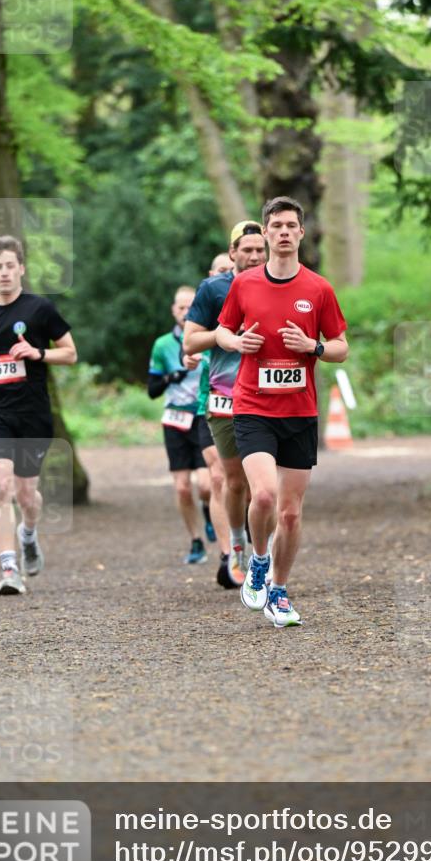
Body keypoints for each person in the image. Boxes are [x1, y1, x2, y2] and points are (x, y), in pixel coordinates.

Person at [216, 196, 348, 628]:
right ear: (267, 233)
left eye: (292, 225)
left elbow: (342, 348)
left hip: (300, 412)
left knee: (290, 513)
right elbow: (221, 330)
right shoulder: (245, 285)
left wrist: (314, 347)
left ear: (302, 234)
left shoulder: (319, 289)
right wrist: (237, 343)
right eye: (277, 226)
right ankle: (257, 559)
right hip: (253, 406)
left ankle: (279, 590)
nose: (285, 232)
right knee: (265, 497)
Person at [0, 235, 77, 595]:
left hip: (31, 414)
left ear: (21, 268)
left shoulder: (40, 309)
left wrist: (38, 353)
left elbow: (70, 353)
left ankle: (28, 534)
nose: (4, 273)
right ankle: (9, 569)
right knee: (1, 485)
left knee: (27, 495)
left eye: (10, 266)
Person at [183, 221, 267, 587]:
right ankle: (236, 543)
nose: (253, 256)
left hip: (269, 398)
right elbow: (189, 342)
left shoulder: (280, 285)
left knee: (265, 487)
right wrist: (222, 336)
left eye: (259, 250)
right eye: (246, 250)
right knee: (234, 483)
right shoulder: (214, 289)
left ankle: (265, 559)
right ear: (232, 252)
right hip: (225, 397)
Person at [148, 285, 216, 565]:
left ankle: (211, 511)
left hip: (202, 416)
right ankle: (196, 541)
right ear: (173, 310)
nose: (185, 312)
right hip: (175, 420)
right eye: (180, 307)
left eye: (190, 307)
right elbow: (152, 388)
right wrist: (171, 377)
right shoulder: (163, 345)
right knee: (181, 488)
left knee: (206, 486)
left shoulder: (209, 338)